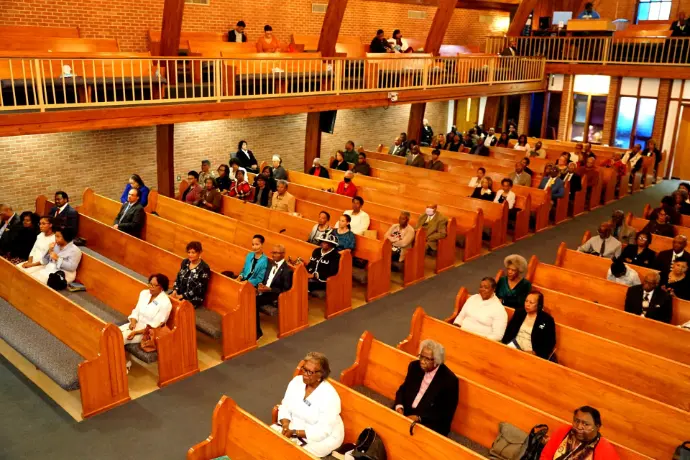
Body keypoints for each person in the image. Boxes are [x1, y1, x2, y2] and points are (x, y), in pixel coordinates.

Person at [275, 352, 344, 457]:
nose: (305, 374)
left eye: (310, 372)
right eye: (304, 369)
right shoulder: (296, 382)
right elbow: (285, 406)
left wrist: (294, 432)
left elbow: (322, 431)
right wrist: (285, 426)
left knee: (292, 455)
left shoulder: (330, 397)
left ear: (320, 375)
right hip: (295, 425)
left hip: (323, 437)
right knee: (270, 439)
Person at [394, 339, 459, 436]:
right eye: (421, 356)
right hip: (407, 411)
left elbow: (445, 412)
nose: (422, 361)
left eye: (427, 359)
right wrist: (399, 406)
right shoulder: (414, 366)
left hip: (430, 421)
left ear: (437, 361)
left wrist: (419, 418)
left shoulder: (449, 380)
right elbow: (403, 389)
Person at [120, 274, 172, 372]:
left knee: (119, 339)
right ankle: (122, 362)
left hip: (146, 333)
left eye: (154, 285)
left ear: (161, 287)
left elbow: (155, 326)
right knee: (113, 334)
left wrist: (136, 332)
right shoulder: (144, 293)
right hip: (135, 325)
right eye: (150, 284)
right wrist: (133, 322)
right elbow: (136, 311)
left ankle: (122, 366)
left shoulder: (165, 303)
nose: (151, 287)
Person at [540, 407, 619, 460]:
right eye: (577, 421)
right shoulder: (563, 431)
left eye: (586, 424)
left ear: (597, 427)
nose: (579, 427)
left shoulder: (605, 450)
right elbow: (545, 455)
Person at [502, 291, 556, 360]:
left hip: (531, 353)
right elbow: (508, 331)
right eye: (526, 301)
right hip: (513, 347)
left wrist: (535, 353)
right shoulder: (519, 313)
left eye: (531, 302)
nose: (527, 304)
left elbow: (550, 343)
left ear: (539, 305)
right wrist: (505, 345)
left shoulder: (547, 320)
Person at [255, 244, 293, 338]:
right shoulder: (270, 264)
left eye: (276, 253)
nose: (273, 255)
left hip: (273, 294)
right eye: (273, 252)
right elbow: (264, 278)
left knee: (253, 301)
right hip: (264, 290)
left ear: (283, 254)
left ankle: (257, 332)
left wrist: (270, 289)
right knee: (245, 296)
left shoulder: (287, 271)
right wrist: (260, 284)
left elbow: (285, 290)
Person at [171, 241, 211, 308]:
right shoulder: (185, 262)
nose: (190, 255)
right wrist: (175, 290)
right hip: (179, 293)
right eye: (189, 252)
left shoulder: (204, 268)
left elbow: (200, 288)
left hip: (193, 298)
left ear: (199, 252)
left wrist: (182, 296)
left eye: (193, 252)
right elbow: (178, 277)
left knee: (177, 308)